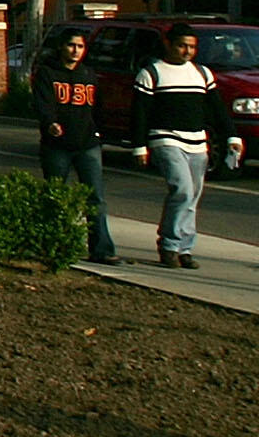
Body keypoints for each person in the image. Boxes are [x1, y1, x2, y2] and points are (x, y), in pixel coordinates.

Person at [131, 22, 233, 268]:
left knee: (193, 195)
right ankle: (168, 245)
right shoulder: (152, 73)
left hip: (197, 143)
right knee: (182, 189)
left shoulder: (202, 74)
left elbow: (218, 109)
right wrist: (139, 146)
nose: (187, 51)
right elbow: (140, 113)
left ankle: (184, 248)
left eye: (192, 47)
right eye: (181, 46)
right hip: (165, 138)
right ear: (168, 44)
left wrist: (232, 137)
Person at [27, 27, 119, 264]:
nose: (75, 51)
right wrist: (50, 124)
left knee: (95, 197)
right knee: (56, 195)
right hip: (56, 146)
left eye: (80, 46)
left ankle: (101, 249)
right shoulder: (47, 74)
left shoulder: (89, 75)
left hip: (87, 144)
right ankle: (55, 246)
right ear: (61, 47)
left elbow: (98, 108)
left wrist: (99, 132)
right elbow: (42, 105)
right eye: (71, 45)